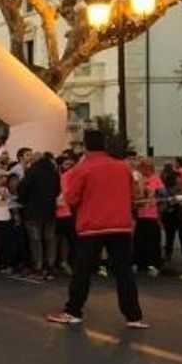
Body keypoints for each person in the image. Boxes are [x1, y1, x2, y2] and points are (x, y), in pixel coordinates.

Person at [47, 130, 148, 329]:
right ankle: (133, 316)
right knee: (123, 272)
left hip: (91, 227)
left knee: (82, 271)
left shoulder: (83, 169)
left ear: (85, 146)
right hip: (120, 225)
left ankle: (73, 311)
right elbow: (134, 195)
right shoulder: (122, 168)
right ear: (106, 144)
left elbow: (71, 198)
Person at [17, 152, 60, 279]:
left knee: (35, 240)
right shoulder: (54, 171)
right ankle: (51, 266)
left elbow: (23, 188)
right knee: (50, 239)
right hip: (50, 210)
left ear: (36, 160)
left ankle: (38, 267)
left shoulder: (33, 171)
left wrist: (23, 200)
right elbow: (58, 190)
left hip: (33, 211)